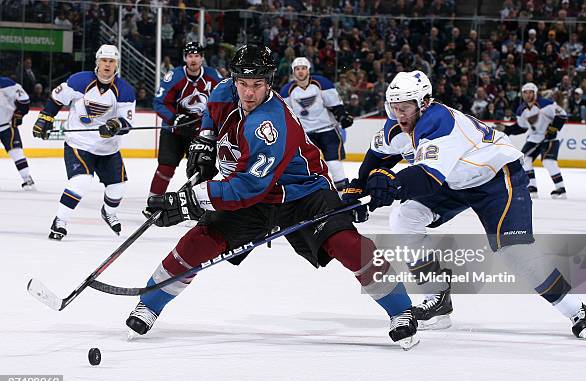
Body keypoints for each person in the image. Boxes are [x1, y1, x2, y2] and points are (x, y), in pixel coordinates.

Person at [125, 45, 419, 350]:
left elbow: (247, 188)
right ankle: (149, 305)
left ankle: (401, 311)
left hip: (302, 192)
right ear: (234, 79)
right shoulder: (224, 91)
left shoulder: (269, 124)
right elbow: (212, 121)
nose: (249, 93)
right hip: (257, 194)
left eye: (258, 85)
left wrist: (190, 200)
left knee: (347, 245)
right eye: (243, 84)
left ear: (270, 83)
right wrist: (205, 142)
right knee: (197, 243)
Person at [342, 71, 586, 339]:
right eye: (394, 107)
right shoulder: (397, 125)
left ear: (424, 103)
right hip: (455, 181)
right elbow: (377, 157)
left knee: (514, 251)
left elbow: (427, 179)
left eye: (406, 107)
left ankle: (578, 311)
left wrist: (390, 186)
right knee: (404, 218)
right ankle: (438, 300)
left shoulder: (438, 121)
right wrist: (357, 188)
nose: (399, 114)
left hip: (497, 178)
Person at [32, 44, 136, 240]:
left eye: (111, 61)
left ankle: (109, 212)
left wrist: (115, 125)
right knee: (81, 181)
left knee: (117, 189)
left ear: (117, 65)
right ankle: (60, 221)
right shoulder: (79, 81)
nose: (107, 65)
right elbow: (56, 99)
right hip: (79, 144)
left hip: (108, 149)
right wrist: (46, 117)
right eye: (104, 60)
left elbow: (127, 122)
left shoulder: (125, 90)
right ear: (97, 62)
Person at [145, 42, 223, 216]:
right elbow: (159, 102)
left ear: (202, 58)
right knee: (165, 167)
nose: (193, 59)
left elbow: (222, 101)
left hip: (199, 133)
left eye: (196, 55)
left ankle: (200, 207)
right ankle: (152, 204)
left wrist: (208, 122)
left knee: (200, 170)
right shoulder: (174, 76)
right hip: (173, 131)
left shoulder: (213, 77)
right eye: (190, 55)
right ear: (184, 58)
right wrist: (175, 118)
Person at [280, 57, 354, 190]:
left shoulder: (322, 83)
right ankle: (311, 192)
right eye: (297, 69)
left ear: (308, 70)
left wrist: (343, 116)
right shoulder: (287, 90)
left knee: (333, 163)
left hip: (327, 130)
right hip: (304, 135)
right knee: (306, 165)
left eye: (303, 68)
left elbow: (335, 105)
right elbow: (285, 115)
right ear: (293, 72)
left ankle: (343, 192)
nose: (300, 71)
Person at [495, 83, 568, 199]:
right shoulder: (521, 110)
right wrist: (507, 129)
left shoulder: (545, 104)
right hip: (534, 138)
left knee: (548, 161)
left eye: (530, 92)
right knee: (525, 159)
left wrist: (553, 129)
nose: (528, 95)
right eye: (525, 92)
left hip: (551, 138)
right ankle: (532, 187)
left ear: (535, 93)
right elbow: (521, 128)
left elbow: (562, 115)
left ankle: (561, 188)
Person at [0, 76, 35, 189]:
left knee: (16, 152)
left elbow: (24, 100)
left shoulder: (6, 84)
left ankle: (27, 179)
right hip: (6, 124)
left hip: (6, 125)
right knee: (17, 152)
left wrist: (19, 114)